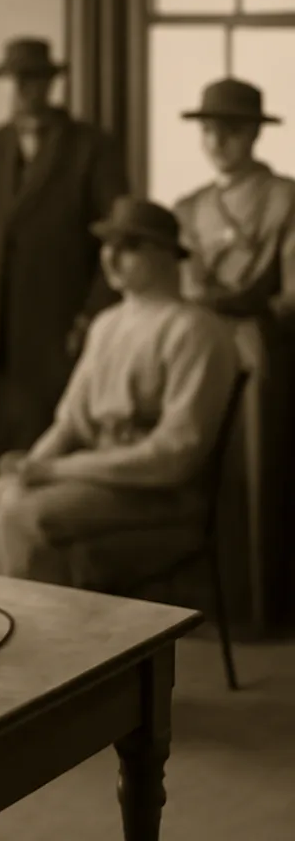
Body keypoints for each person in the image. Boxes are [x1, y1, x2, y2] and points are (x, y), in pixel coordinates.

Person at [0, 197, 239, 590]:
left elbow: (174, 456)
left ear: (168, 255)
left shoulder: (195, 330)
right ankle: (6, 615)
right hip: (100, 475)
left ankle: (42, 626)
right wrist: (31, 466)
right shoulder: (106, 325)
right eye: (107, 244)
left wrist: (55, 471)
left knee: (20, 512)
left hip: (159, 492)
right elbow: (70, 423)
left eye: (129, 246)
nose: (111, 257)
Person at [0, 37, 128, 516]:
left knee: (48, 416)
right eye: (15, 79)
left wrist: (93, 312)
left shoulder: (90, 147)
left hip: (57, 312)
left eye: (33, 79)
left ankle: (36, 509)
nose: (24, 89)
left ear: (51, 83)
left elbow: (116, 236)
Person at [173, 77, 295, 629]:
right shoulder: (189, 207)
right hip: (197, 344)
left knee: (256, 465)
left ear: (254, 134)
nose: (218, 140)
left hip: (257, 344)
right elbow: (182, 285)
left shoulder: (284, 198)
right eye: (209, 129)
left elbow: (291, 293)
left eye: (233, 129)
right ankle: (202, 599)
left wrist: (251, 307)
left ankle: (258, 604)